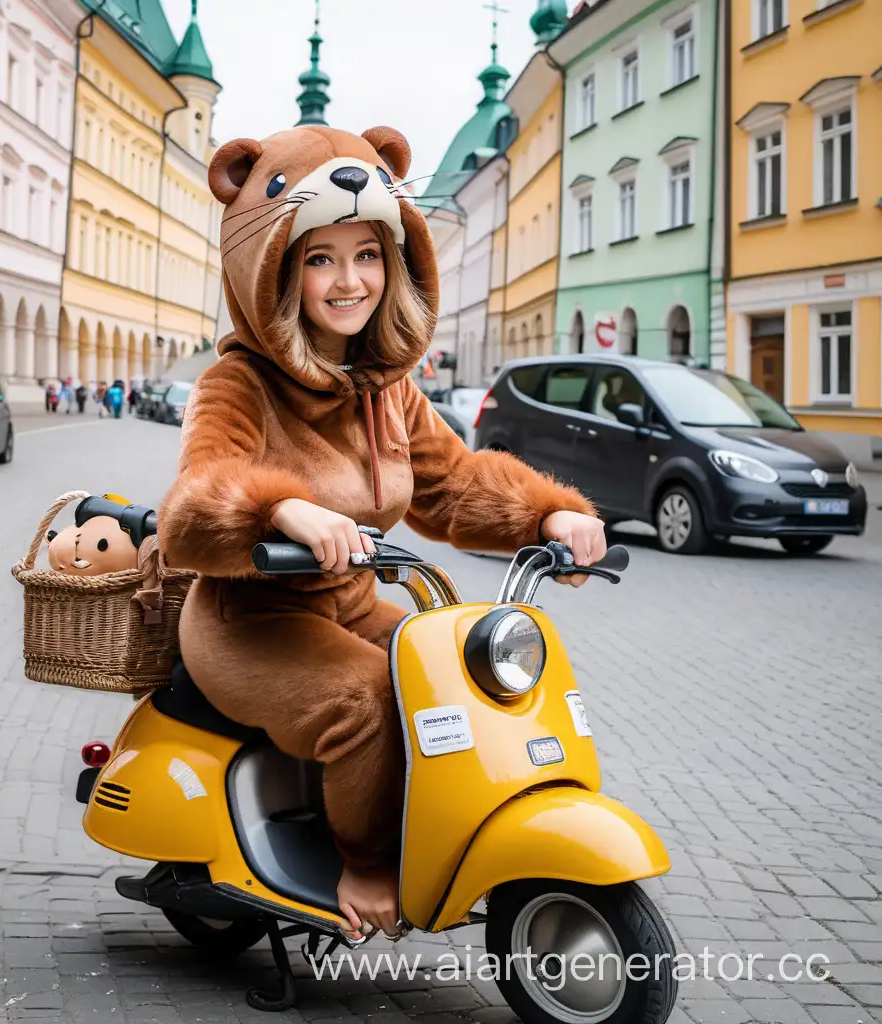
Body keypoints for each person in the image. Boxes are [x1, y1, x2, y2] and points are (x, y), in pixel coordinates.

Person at [157, 125, 604, 943]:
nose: (348, 280)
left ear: (393, 262)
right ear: (280, 271)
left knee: (459, 683)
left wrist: (550, 514)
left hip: (352, 602)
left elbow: (453, 483)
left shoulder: (386, 389)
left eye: (366, 254)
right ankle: (362, 865)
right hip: (250, 619)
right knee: (367, 700)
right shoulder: (239, 381)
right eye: (320, 258)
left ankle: (454, 840)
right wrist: (279, 509)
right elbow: (192, 502)